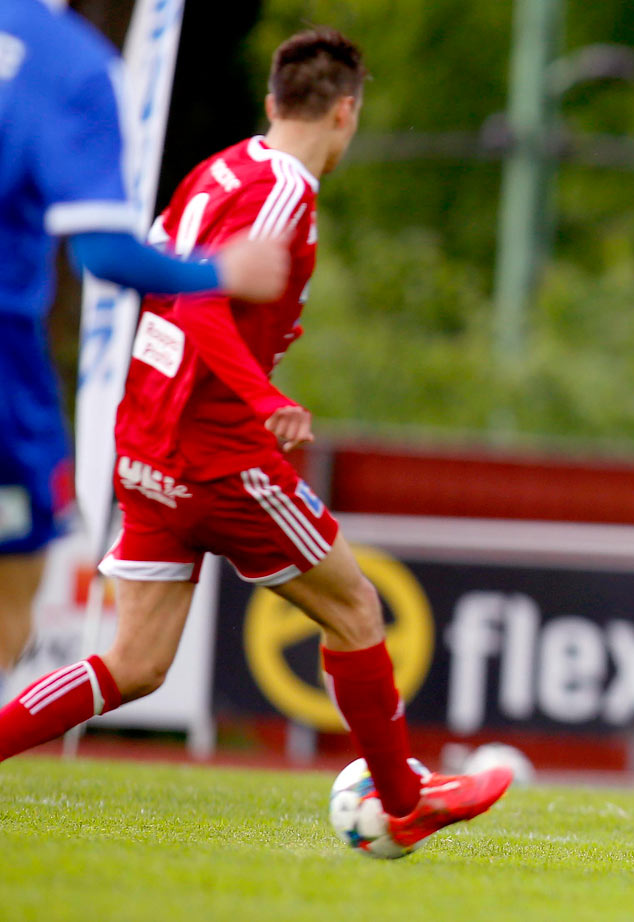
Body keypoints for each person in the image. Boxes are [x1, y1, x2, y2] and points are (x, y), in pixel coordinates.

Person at [0, 28, 510, 849]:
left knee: (135, 664)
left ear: (273, 102)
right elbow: (203, 304)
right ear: (346, 112)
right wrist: (263, 393)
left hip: (148, 446)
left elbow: (170, 285)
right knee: (354, 607)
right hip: (219, 453)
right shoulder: (286, 189)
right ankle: (407, 797)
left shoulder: (217, 169)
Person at [0, 0, 290, 670]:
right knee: (12, 600)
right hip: (6, 367)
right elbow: (102, 256)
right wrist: (222, 270)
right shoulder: (74, 64)